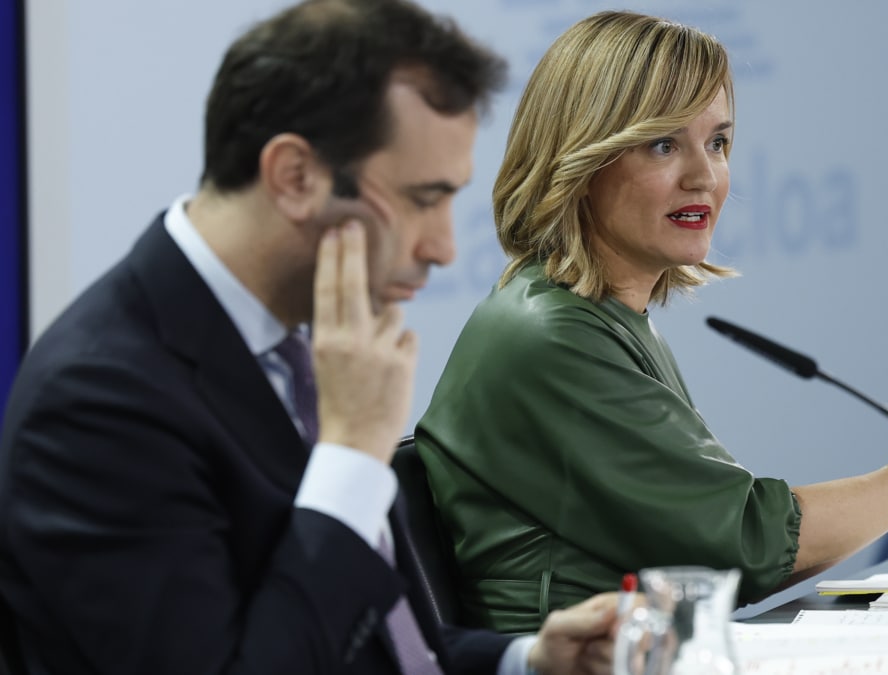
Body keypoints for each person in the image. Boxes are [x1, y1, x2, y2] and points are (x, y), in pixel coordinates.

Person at [415, 9, 888, 634]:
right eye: (661, 144)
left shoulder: (600, 317)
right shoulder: (551, 338)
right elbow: (744, 544)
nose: (703, 176)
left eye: (717, 142)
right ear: (580, 158)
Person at [0, 1, 618, 673]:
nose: (443, 246)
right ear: (295, 177)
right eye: (421, 198)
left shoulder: (299, 343)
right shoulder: (98, 401)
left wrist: (525, 659)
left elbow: (370, 640)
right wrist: (351, 454)